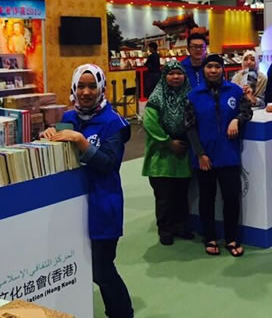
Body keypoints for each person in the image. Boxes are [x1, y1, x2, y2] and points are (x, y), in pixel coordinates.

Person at [41, 64, 133, 318]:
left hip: (103, 205)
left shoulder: (114, 123)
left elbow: (108, 164)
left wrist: (81, 142)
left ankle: (122, 313)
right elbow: (58, 151)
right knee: (80, 264)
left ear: (101, 88)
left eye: (92, 86)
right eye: (80, 86)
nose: (86, 92)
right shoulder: (68, 118)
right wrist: (49, 134)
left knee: (102, 270)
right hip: (73, 207)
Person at [184, 54, 253, 257]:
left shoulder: (235, 91)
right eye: (209, 67)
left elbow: (247, 111)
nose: (213, 70)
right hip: (205, 157)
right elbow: (189, 126)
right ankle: (210, 237)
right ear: (204, 70)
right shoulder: (193, 95)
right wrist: (200, 154)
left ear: (223, 69)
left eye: (217, 66)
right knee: (207, 199)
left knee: (231, 198)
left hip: (228, 154)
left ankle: (231, 238)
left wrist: (237, 119)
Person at [142, 60, 194, 246]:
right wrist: (168, 142)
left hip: (183, 154)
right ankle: (165, 229)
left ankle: (180, 226)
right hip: (162, 155)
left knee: (181, 194)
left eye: (179, 73)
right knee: (164, 197)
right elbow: (149, 123)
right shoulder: (156, 98)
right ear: (164, 77)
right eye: (171, 74)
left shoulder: (190, 96)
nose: (175, 77)